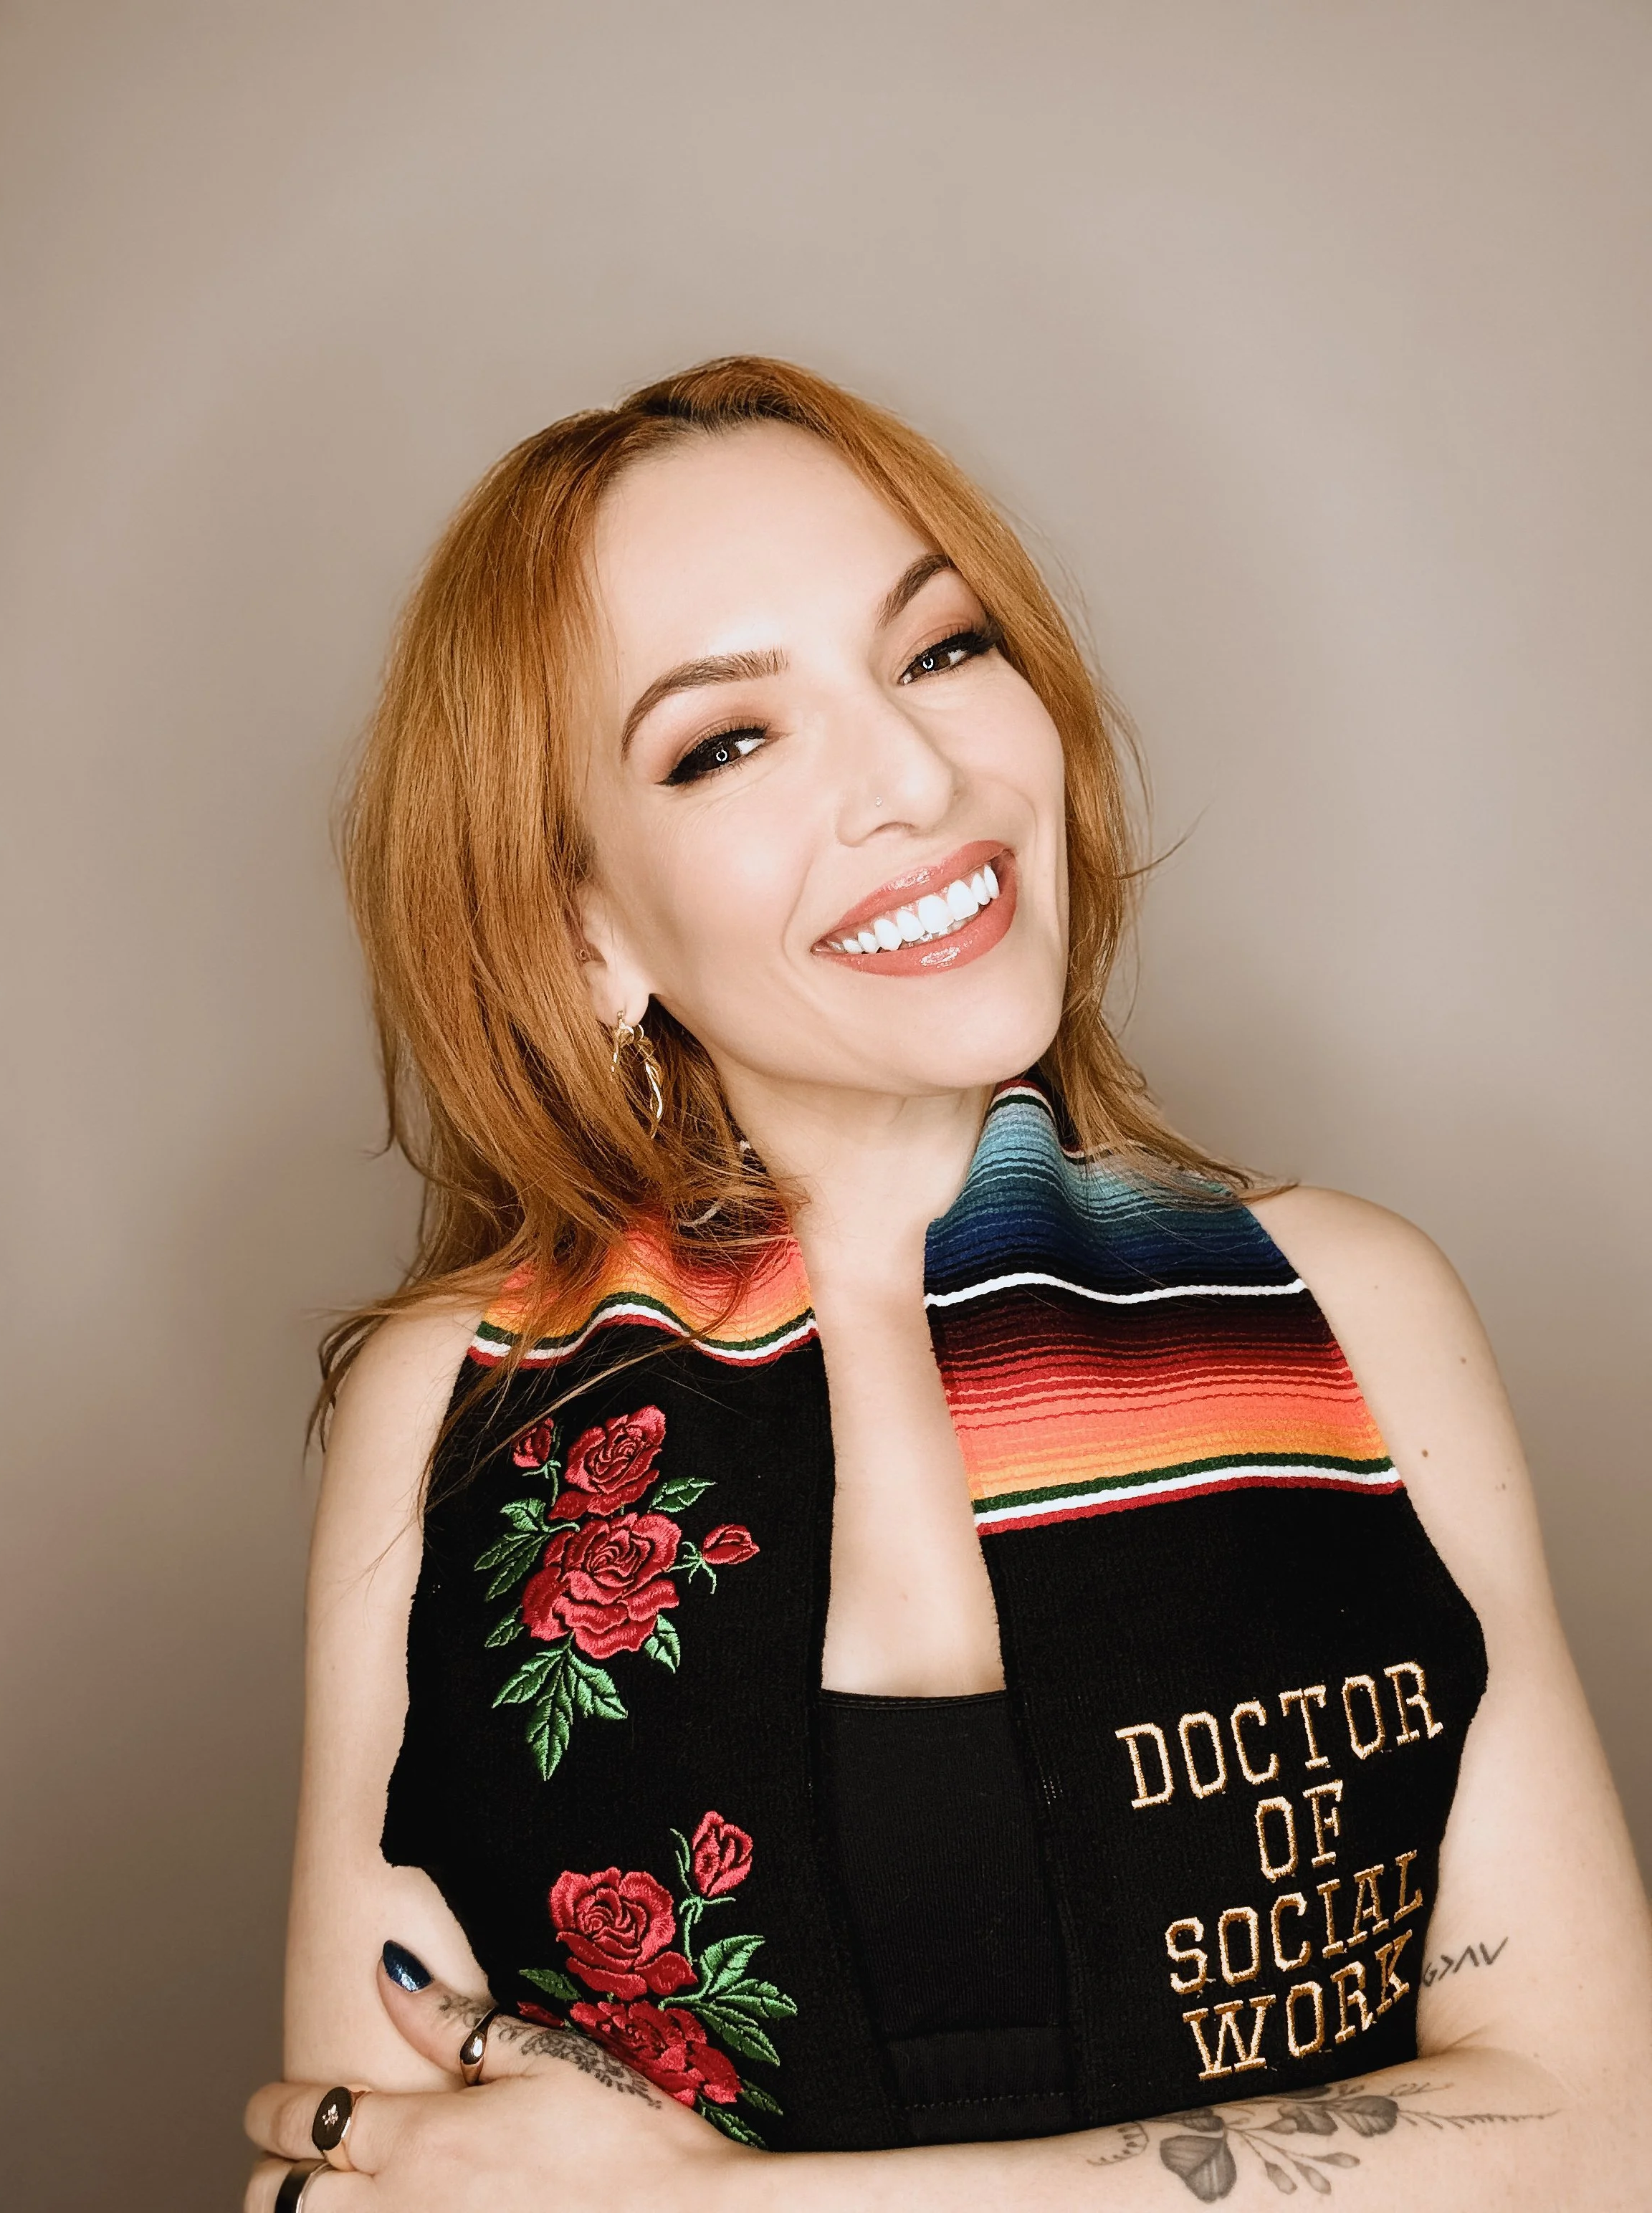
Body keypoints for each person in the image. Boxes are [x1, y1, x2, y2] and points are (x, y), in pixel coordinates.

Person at [246, 358, 1651, 2210]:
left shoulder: (1351, 1304)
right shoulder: (456, 1404)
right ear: (579, 922)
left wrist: (712, 2211)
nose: (914, 777)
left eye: (937, 651)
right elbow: (368, 2168)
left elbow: (1597, 2130)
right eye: (725, 740)